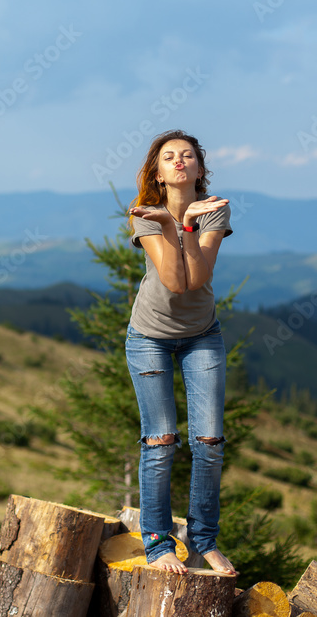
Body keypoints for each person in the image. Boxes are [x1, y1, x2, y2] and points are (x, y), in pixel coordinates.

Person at [125, 129, 237, 576]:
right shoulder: (146, 215)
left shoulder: (214, 210)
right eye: (169, 156)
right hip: (149, 334)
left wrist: (189, 224)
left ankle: (203, 538)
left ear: (199, 168)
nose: (179, 162)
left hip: (201, 333)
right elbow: (174, 280)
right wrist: (172, 225)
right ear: (158, 170)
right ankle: (157, 544)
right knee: (160, 440)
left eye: (187, 155)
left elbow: (199, 275)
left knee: (209, 441)